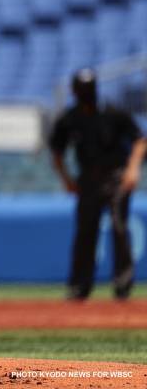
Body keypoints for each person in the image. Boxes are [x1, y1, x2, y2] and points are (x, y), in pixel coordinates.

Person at [49, 68, 146, 301]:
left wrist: (133, 169)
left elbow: (140, 140)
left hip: (115, 177)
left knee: (119, 227)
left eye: (89, 89)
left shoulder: (112, 112)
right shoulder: (70, 118)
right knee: (85, 231)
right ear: (75, 92)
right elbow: (57, 151)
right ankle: (80, 287)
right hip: (88, 180)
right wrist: (67, 180)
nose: (86, 94)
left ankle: (122, 286)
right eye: (82, 90)